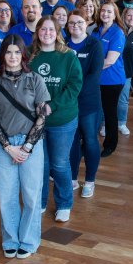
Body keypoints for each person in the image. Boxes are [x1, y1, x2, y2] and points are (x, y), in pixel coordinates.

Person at [0, 35, 49, 258]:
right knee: (7, 196)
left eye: (17, 52)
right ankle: (10, 239)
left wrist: (27, 147)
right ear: (2, 55)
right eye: (8, 52)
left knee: (31, 195)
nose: (12, 57)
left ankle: (29, 240)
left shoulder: (35, 79)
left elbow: (42, 116)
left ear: (23, 54)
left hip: (32, 144)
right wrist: (8, 147)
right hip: (5, 145)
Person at [30, 17, 82, 222]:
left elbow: (74, 86)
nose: (47, 33)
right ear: (37, 32)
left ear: (58, 32)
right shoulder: (30, 54)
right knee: (40, 165)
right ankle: (41, 202)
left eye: (51, 29)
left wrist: (52, 105)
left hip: (62, 120)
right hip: (35, 121)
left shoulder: (68, 56)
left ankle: (64, 204)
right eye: (43, 29)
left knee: (59, 164)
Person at [66, 9, 104, 198]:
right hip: (68, 103)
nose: (76, 26)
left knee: (90, 139)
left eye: (79, 22)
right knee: (72, 141)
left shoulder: (94, 45)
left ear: (86, 23)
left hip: (88, 102)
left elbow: (94, 75)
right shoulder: (62, 44)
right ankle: (72, 178)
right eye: (72, 23)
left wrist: (72, 92)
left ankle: (90, 181)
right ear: (67, 25)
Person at [95, 2, 126, 158]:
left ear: (115, 15)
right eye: (103, 11)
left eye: (109, 11)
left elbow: (109, 61)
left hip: (112, 80)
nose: (105, 14)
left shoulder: (117, 32)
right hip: (96, 80)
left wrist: (89, 69)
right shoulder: (96, 30)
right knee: (95, 111)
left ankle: (110, 145)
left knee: (109, 112)